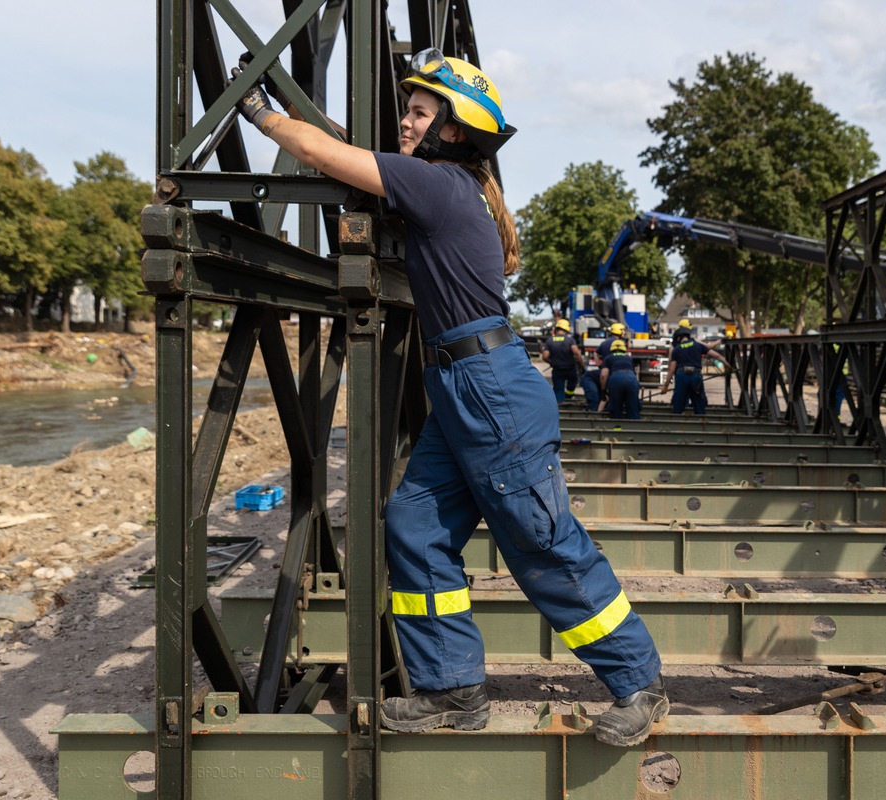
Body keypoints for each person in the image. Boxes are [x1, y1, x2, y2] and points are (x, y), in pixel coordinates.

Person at [232, 50, 666, 746]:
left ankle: (638, 682)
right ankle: (451, 689)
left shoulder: (439, 184)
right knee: (413, 526)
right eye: (406, 111)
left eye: (419, 112)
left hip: (489, 390)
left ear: (456, 129)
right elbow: (349, 154)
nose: (405, 121)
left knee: (542, 544)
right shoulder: (438, 183)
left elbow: (321, 150)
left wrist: (257, 110)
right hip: (463, 385)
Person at [660, 320, 729, 414]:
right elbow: (715, 354)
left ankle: (677, 421)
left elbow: (671, 368)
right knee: (699, 402)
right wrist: (727, 364)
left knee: (678, 403)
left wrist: (666, 385)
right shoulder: (696, 344)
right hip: (695, 375)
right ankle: (700, 421)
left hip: (680, 376)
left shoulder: (675, 348)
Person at [540, 318, 586, 403]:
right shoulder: (570, 340)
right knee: (572, 383)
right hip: (570, 369)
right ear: (566, 329)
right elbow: (576, 353)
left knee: (558, 389)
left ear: (557, 329)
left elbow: (545, 356)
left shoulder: (550, 340)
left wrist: (552, 362)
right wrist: (581, 365)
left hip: (557, 369)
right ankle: (569, 396)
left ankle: (559, 408)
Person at [601, 338, 641, 419]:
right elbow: (634, 373)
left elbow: (603, 375)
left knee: (615, 409)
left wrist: (603, 390)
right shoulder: (629, 359)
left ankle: (617, 429)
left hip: (616, 379)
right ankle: (635, 428)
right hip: (631, 380)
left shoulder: (608, 358)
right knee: (633, 408)